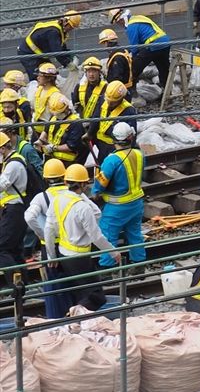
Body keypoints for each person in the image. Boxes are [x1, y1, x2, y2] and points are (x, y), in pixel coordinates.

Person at [44, 163, 117, 314]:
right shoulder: (83, 207)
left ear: (66, 182)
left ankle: (80, 321)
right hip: (80, 257)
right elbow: (96, 236)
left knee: (79, 292)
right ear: (84, 184)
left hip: (63, 254)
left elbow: (48, 230)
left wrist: (52, 256)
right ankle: (76, 312)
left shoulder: (57, 200)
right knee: (96, 296)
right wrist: (113, 252)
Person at [91, 123, 146, 267]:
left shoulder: (112, 160)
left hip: (117, 206)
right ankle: (138, 265)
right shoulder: (139, 154)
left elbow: (101, 184)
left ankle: (107, 268)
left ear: (114, 139)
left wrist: (95, 192)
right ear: (130, 137)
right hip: (136, 203)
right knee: (135, 234)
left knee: (108, 236)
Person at [23, 158, 70, 318]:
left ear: (45, 178)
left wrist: (41, 233)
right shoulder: (71, 194)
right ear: (64, 176)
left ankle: (56, 317)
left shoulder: (41, 197)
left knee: (54, 285)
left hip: (50, 246)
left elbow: (29, 217)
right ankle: (75, 314)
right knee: (73, 281)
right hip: (71, 245)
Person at [109, 8, 172, 87]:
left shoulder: (131, 27)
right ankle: (165, 88)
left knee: (134, 67)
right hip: (165, 42)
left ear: (121, 19)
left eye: (118, 22)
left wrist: (130, 60)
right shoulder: (138, 18)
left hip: (153, 45)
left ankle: (131, 88)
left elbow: (134, 47)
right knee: (163, 68)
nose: (119, 24)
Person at [0, 131, 30, 273]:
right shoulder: (9, 162)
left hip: (14, 210)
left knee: (2, 248)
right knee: (15, 250)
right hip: (13, 210)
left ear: (2, 148)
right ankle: (22, 284)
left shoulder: (13, 164)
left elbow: (2, 185)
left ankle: (16, 285)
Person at [18, 11, 81, 77]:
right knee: (38, 77)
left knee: (51, 75)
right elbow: (57, 53)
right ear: (66, 22)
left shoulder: (60, 29)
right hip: (28, 54)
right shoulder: (53, 32)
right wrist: (68, 64)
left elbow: (60, 47)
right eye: (71, 27)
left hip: (38, 54)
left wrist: (69, 54)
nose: (71, 29)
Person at [38, 92, 87, 167]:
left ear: (67, 108)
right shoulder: (54, 117)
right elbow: (46, 130)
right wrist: (40, 141)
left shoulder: (75, 123)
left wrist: (54, 148)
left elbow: (71, 146)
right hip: (51, 159)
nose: (57, 115)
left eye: (59, 113)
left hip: (66, 162)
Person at [92, 81, 136, 164]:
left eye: (113, 102)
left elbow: (132, 135)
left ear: (121, 99)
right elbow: (96, 118)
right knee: (102, 164)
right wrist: (90, 134)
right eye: (108, 100)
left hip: (117, 146)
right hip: (101, 144)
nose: (109, 103)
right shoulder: (103, 100)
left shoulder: (128, 110)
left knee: (113, 166)